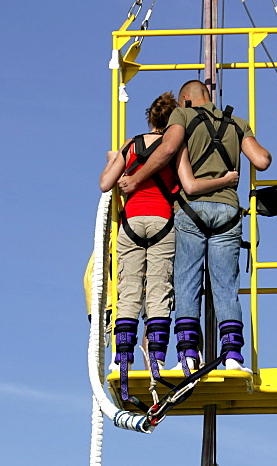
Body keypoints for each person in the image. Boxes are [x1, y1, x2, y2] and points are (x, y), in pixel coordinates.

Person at [118, 80, 271, 372]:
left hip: (191, 209)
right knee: (225, 285)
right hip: (227, 209)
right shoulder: (237, 123)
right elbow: (262, 160)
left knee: (187, 283)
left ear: (185, 100)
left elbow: (167, 149)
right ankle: (232, 356)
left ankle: (189, 355)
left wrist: (137, 179)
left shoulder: (183, 116)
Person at [101, 91, 238, 381]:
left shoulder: (131, 145)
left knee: (129, 289)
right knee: (159, 290)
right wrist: (225, 180)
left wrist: (113, 160)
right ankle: (158, 358)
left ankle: (120, 358)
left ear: (149, 118)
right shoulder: (176, 148)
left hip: (132, 220)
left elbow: (105, 184)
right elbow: (189, 184)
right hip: (163, 220)